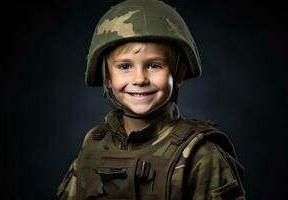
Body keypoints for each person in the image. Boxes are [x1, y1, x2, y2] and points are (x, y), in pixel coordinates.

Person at [57, 0, 245, 199]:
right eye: (124, 66)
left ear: (179, 74)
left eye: (154, 65)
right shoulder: (94, 144)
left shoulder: (201, 155)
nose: (139, 79)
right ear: (107, 78)